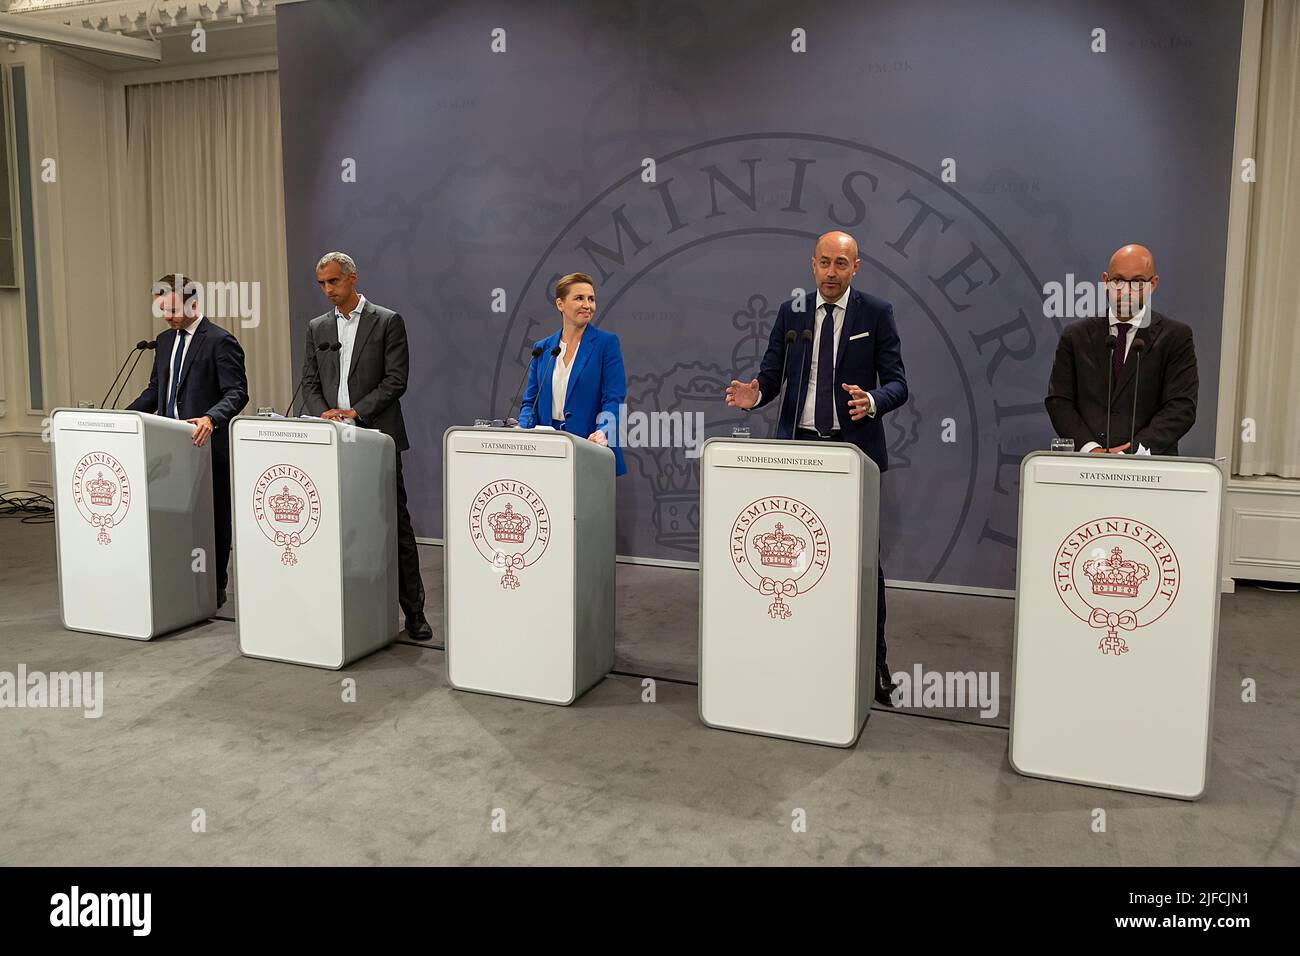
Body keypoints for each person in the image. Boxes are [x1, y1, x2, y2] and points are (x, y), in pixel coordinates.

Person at [725, 231, 908, 706]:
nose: (831, 272)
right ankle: (800, 652)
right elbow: (771, 375)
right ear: (812, 265)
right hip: (799, 449)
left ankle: (875, 661)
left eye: (840, 264)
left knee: (864, 561)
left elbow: (898, 383)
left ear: (856, 267)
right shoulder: (794, 312)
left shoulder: (877, 313)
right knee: (800, 554)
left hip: (854, 452)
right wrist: (756, 395)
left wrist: (872, 400)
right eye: (824, 263)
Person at [298, 252, 432, 640]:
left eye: (334, 282)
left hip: (377, 437)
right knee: (337, 522)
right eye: (322, 284)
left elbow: (396, 380)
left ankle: (415, 613)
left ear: (352, 278)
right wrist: (325, 414)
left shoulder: (387, 321)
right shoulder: (317, 327)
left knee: (395, 523)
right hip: (331, 438)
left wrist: (355, 412)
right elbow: (308, 381)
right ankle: (342, 608)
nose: (328, 290)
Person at [128, 273, 249, 608]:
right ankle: (180, 580)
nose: (166, 316)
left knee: (212, 518)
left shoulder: (220, 341)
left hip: (206, 444)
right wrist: (122, 416)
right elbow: (156, 390)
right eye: (161, 309)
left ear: (192, 302)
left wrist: (211, 417)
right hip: (169, 446)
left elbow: (237, 392)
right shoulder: (164, 341)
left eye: (171, 308)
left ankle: (215, 586)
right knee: (175, 518)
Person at [1046, 243, 1198, 455]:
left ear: (1152, 284)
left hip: (1149, 469)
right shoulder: (1076, 336)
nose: (1126, 291)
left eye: (1137, 282)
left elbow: (1181, 406)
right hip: (1086, 468)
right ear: (1106, 281)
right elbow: (1059, 400)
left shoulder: (1175, 337)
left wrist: (1130, 453)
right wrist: (1092, 450)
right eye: (1118, 281)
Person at [518, 272, 627, 476]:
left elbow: (613, 399)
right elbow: (529, 403)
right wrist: (523, 432)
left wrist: (603, 431)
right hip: (547, 454)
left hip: (590, 449)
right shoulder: (542, 349)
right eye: (579, 298)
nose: (587, 305)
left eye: (591, 299)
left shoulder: (606, 344)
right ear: (560, 304)